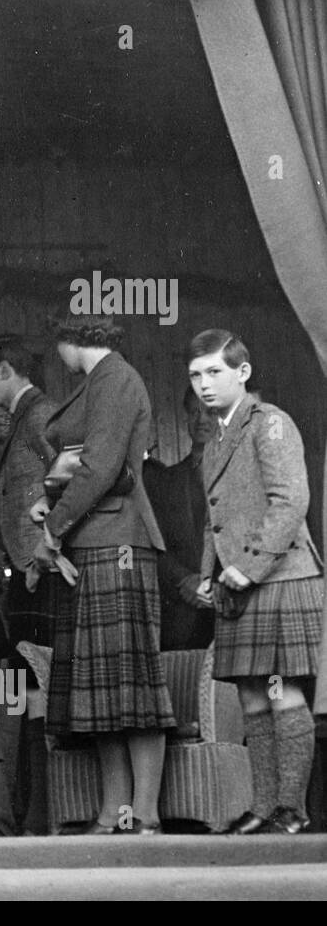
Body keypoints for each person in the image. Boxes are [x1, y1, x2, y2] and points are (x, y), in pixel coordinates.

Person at [32, 314, 174, 834]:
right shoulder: (103, 381)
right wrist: (51, 508)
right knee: (102, 691)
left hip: (118, 541)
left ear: (70, 342)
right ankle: (116, 811)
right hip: (94, 540)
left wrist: (55, 527)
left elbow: (101, 467)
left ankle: (148, 814)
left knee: (130, 684)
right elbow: (86, 469)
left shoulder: (115, 379)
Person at [188, 330, 322, 835]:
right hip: (237, 580)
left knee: (280, 691)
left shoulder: (270, 424)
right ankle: (265, 806)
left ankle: (290, 809)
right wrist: (207, 574)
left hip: (279, 576)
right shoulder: (217, 437)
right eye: (196, 375)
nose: (204, 384)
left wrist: (248, 565)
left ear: (242, 373)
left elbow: (291, 502)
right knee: (250, 697)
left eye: (215, 372)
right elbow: (214, 520)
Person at [0, 335, 59, 835]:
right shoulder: (21, 420)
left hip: (43, 572)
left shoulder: (43, 414)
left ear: (6, 370)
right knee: (29, 694)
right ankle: (33, 817)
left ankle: (43, 816)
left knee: (40, 693)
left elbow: (75, 475)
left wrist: (46, 541)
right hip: (25, 575)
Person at [142, 388, 218, 652]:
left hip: (231, 608)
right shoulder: (166, 480)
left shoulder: (242, 477)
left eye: (211, 412)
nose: (202, 420)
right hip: (182, 615)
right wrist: (184, 580)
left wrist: (217, 589)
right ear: (186, 419)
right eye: (194, 412)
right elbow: (153, 546)